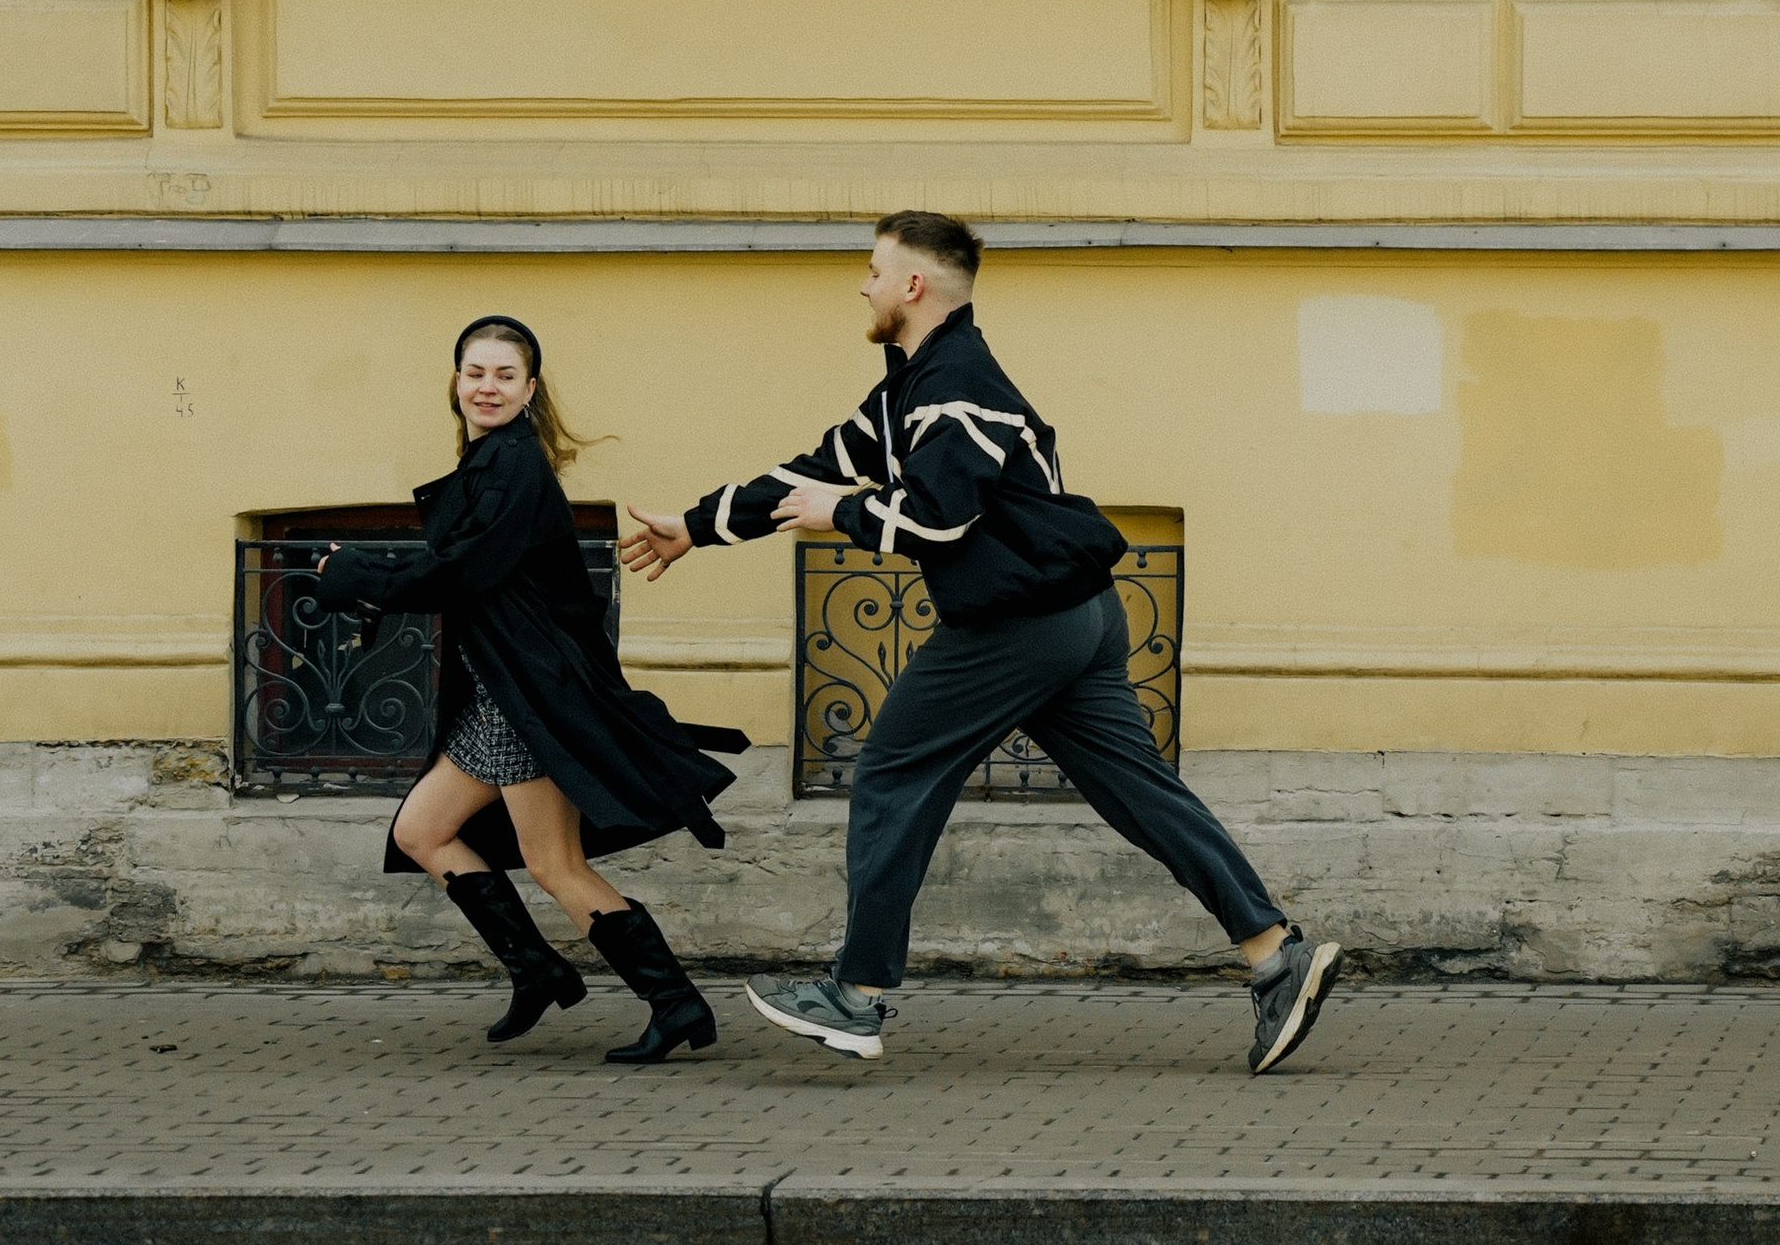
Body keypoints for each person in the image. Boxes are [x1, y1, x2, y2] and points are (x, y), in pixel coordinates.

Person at [620, 213, 1342, 1076]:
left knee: (890, 769)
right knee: (1140, 791)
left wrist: (841, 515)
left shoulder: (954, 388)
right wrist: (695, 529)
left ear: (914, 286)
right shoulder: (911, 388)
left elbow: (938, 516)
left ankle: (853, 997)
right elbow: (817, 465)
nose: (865, 285)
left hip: (1020, 624)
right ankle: (1274, 952)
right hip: (1079, 613)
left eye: (875, 270)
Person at [314, 318, 740, 1063]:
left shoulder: (515, 466)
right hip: (499, 695)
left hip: (529, 698)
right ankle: (537, 969)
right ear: (455, 382)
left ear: (530, 389)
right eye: (475, 372)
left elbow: (465, 573)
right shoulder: (488, 461)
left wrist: (360, 576)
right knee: (421, 832)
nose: (488, 386)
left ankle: (675, 1004)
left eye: (505, 375)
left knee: (555, 865)